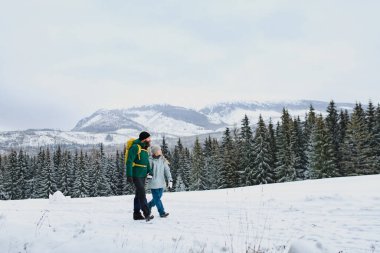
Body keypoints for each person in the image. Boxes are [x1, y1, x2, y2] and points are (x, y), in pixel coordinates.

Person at [126, 131, 154, 221]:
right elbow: (129, 161)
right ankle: (147, 213)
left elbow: (146, 162)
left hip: (143, 175)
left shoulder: (145, 149)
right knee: (142, 193)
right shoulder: (135, 147)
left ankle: (136, 214)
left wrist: (150, 171)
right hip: (136, 174)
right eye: (148, 138)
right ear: (144, 139)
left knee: (138, 195)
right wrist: (129, 175)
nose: (150, 140)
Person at [147, 145, 173, 218]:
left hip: (161, 182)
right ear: (155, 152)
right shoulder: (150, 160)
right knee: (157, 198)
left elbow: (167, 170)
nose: (160, 151)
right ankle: (162, 212)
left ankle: (148, 205)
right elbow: (148, 170)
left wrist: (170, 180)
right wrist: (148, 173)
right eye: (159, 150)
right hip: (153, 182)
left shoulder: (163, 160)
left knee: (158, 197)